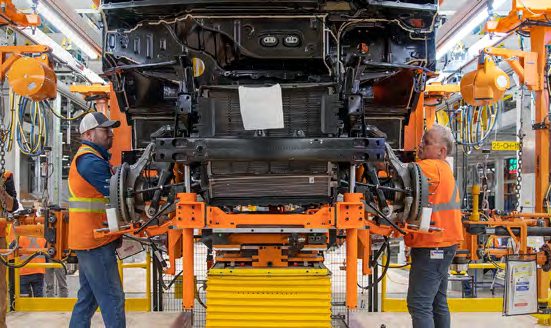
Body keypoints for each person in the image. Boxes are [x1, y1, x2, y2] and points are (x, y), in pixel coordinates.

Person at [68, 112, 125, 328]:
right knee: (113, 299)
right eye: (105, 130)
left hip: (90, 240)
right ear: (89, 134)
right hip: (95, 241)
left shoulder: (94, 158)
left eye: (110, 130)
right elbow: (118, 192)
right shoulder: (89, 161)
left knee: (88, 299)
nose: (110, 134)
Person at [404, 124, 463, 328]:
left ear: (442, 151)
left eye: (426, 143)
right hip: (443, 244)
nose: (420, 146)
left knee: (419, 304)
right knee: (437, 302)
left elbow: (403, 173)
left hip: (433, 245)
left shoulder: (431, 166)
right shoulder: (444, 168)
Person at [0, 170, 18, 328]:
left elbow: (13, 207)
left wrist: (2, 192)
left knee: (0, 287)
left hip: (0, 239)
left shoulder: (5, 177)